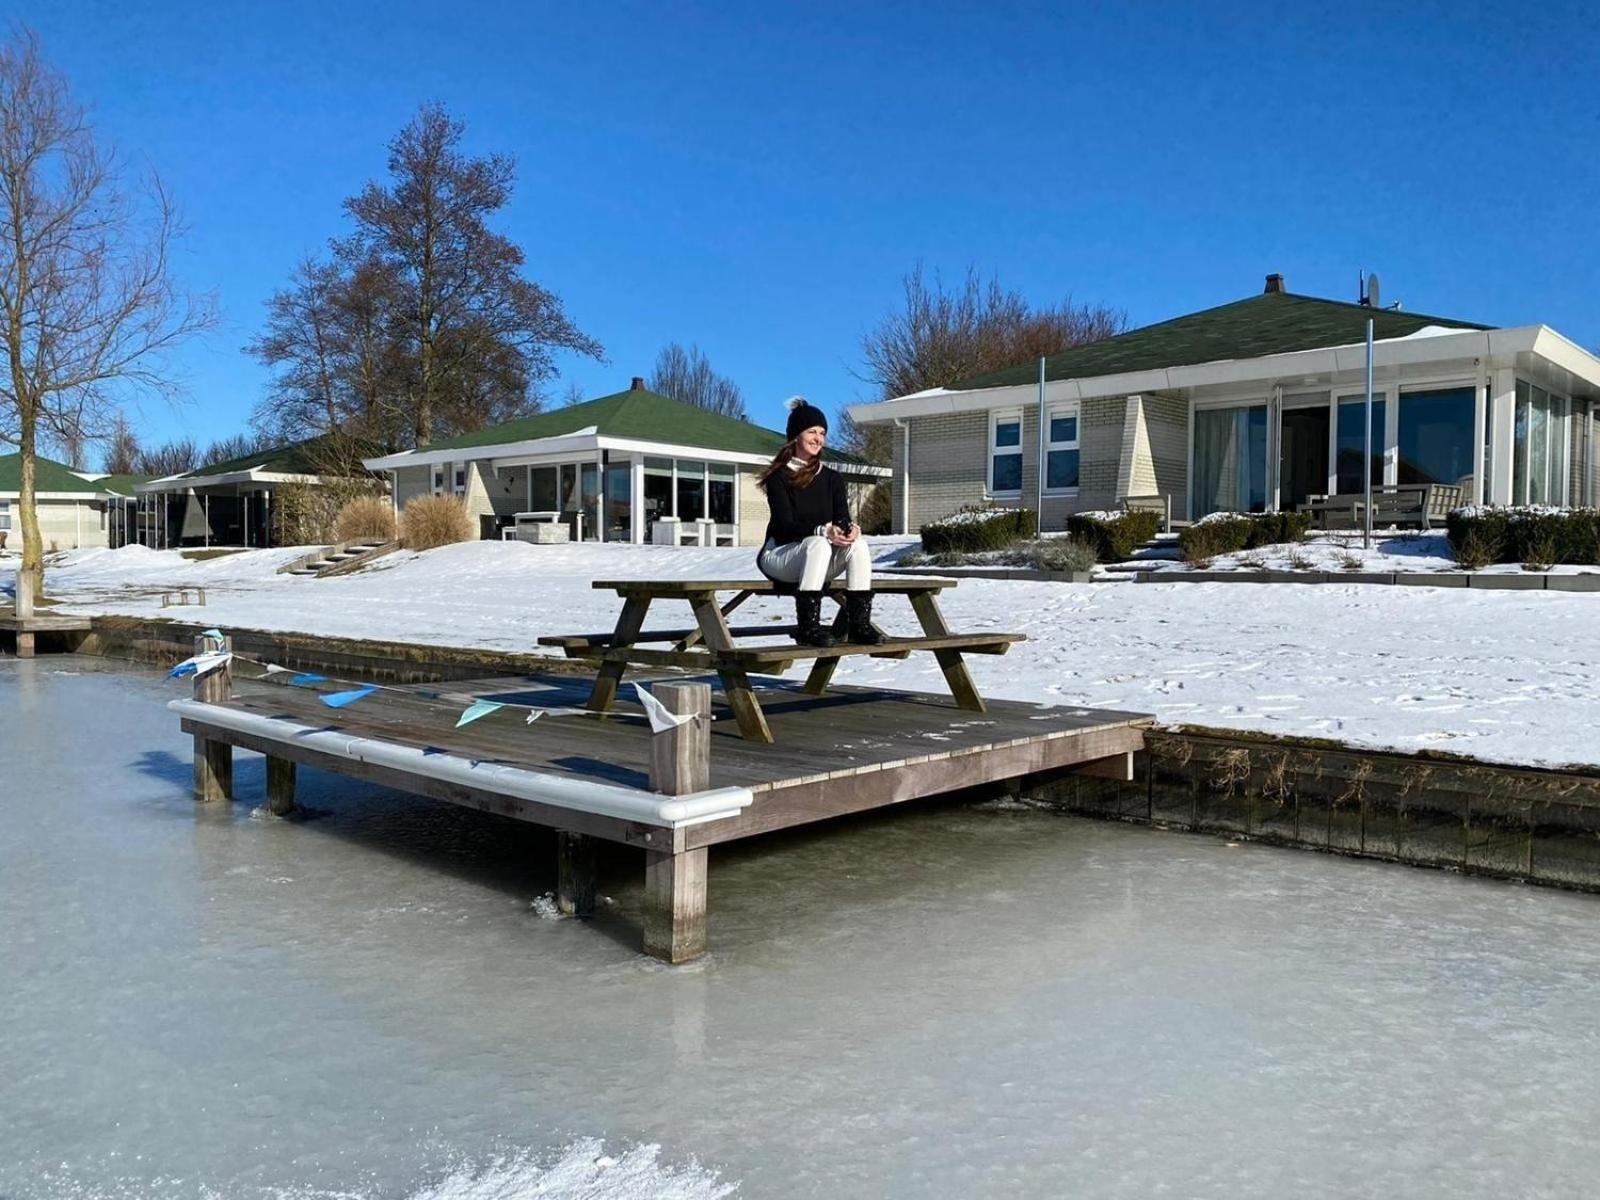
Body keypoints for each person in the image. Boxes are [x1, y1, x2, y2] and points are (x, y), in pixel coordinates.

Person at [755, 397, 883, 648]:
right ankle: (808, 627)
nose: (818, 438)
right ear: (795, 437)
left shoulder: (832, 478)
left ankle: (859, 624)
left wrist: (849, 529)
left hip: (818, 559)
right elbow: (783, 526)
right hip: (780, 555)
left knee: (858, 545)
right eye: (811, 431)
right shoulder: (779, 477)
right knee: (819, 543)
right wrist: (822, 531)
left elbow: (841, 516)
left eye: (822, 433)